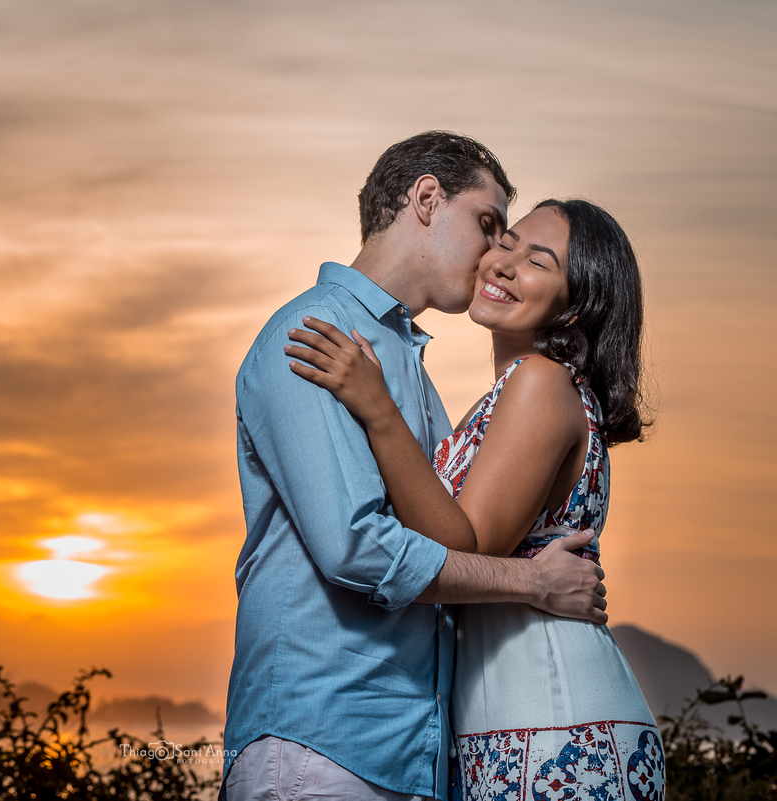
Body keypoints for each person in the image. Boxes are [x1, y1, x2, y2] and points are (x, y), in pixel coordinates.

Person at [222, 131, 608, 801]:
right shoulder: (316, 333)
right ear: (426, 197)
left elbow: (448, 535)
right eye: (488, 225)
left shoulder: (416, 380)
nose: (494, 253)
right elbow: (355, 547)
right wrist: (530, 582)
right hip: (324, 742)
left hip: (413, 755)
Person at [286, 199, 664, 800]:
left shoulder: (542, 383)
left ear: (579, 303)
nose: (504, 264)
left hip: (556, 718)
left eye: (537, 261)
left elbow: (467, 544)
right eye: (505, 242)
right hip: (507, 717)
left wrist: (378, 408)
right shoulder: (507, 396)